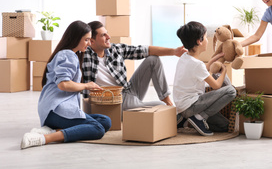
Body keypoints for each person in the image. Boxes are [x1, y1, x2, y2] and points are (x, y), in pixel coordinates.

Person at [20, 21, 111, 149]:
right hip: (56, 110)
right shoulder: (68, 55)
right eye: (86, 40)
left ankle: (52, 130)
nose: (89, 43)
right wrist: (86, 86)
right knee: (98, 129)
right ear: (75, 38)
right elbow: (63, 84)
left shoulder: (68, 54)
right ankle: (44, 138)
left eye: (90, 40)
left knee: (105, 121)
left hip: (52, 111)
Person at [82, 21, 187, 110]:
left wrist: (174, 51)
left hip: (128, 91)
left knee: (153, 59)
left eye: (107, 33)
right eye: (103, 35)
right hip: (112, 101)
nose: (108, 37)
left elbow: (145, 50)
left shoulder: (114, 50)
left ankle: (168, 102)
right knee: (161, 107)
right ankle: (150, 108)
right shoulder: (83, 56)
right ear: (91, 41)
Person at [173, 21, 237, 136]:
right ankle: (200, 117)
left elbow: (201, 72)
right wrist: (224, 71)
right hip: (192, 106)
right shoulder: (197, 64)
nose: (207, 40)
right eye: (206, 37)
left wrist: (214, 59)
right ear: (199, 41)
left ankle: (186, 121)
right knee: (231, 90)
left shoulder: (184, 57)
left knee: (224, 125)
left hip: (182, 107)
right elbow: (216, 85)